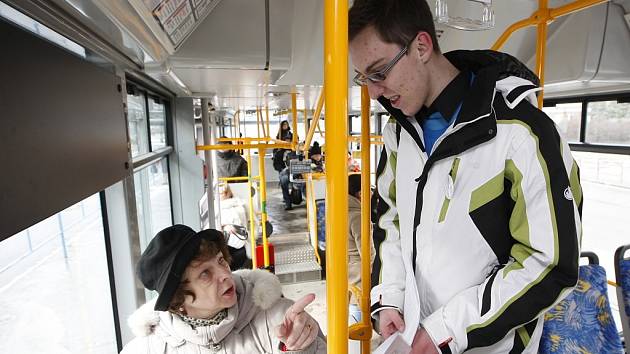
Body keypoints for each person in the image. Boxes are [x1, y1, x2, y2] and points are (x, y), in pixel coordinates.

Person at [348, 1, 582, 353]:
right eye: (363, 77)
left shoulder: (522, 133)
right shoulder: (399, 134)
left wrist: (448, 329)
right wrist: (389, 298)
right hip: (414, 335)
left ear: (422, 47)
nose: (373, 92)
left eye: (379, 72)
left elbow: (550, 264)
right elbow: (390, 221)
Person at [121, 225, 327, 354]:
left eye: (221, 261)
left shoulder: (279, 317)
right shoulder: (149, 348)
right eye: (205, 273)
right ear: (178, 300)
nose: (225, 274)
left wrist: (299, 348)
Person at [347, 174, 376, 321]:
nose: (372, 193)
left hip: (348, 274)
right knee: (359, 317)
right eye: (370, 190)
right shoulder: (358, 217)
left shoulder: (341, 212)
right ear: (360, 194)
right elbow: (367, 252)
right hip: (359, 276)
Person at [219, 184, 250, 270]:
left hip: (237, 244)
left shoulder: (239, 205)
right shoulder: (214, 207)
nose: (221, 194)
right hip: (230, 244)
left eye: (223, 192)